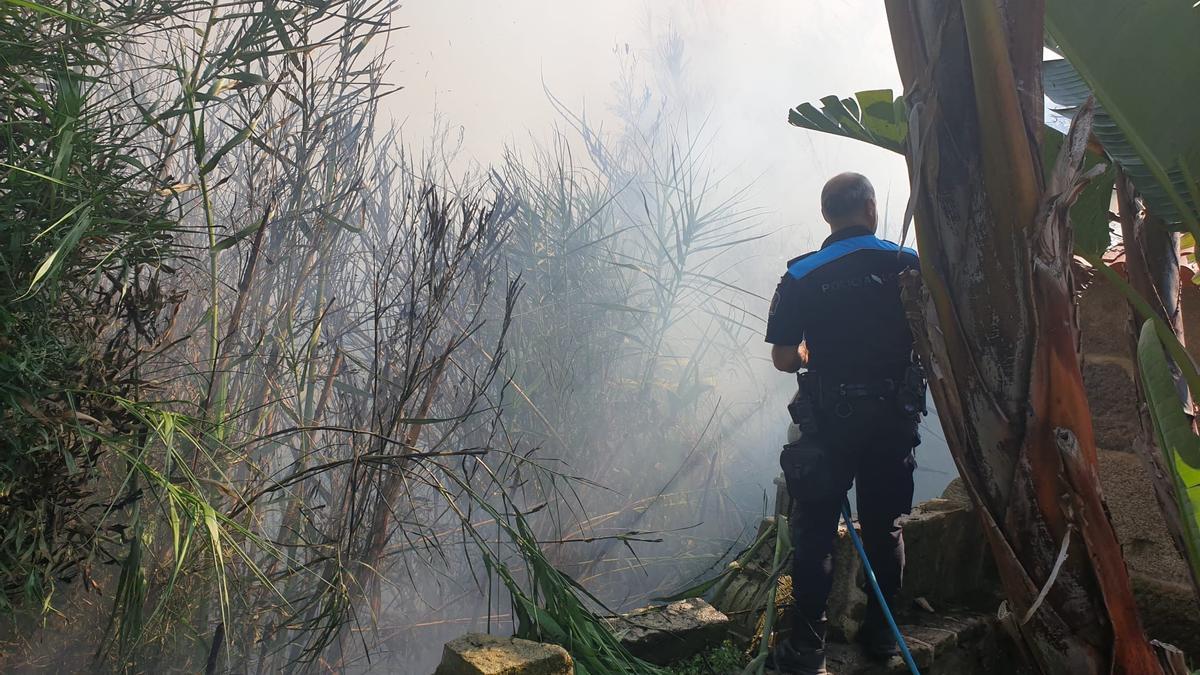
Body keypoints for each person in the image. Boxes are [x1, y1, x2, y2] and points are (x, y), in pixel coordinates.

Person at [764, 173, 923, 675]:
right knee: (886, 529)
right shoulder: (909, 265)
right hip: (894, 420)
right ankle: (881, 637)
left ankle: (807, 649)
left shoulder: (801, 276)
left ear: (826, 215)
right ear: (872, 209)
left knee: (813, 536)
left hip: (831, 423)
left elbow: (785, 360)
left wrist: (812, 352)